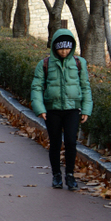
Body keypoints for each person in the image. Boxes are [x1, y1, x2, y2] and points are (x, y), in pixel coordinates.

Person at [30, 28, 93, 191]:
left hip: (73, 109)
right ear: (54, 47)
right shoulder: (44, 63)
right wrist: (39, 108)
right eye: (60, 47)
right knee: (55, 143)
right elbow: (36, 87)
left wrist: (86, 108)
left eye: (67, 47)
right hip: (52, 110)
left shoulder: (80, 63)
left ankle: (70, 175)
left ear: (72, 47)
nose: (64, 51)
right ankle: (56, 175)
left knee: (71, 142)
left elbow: (85, 86)